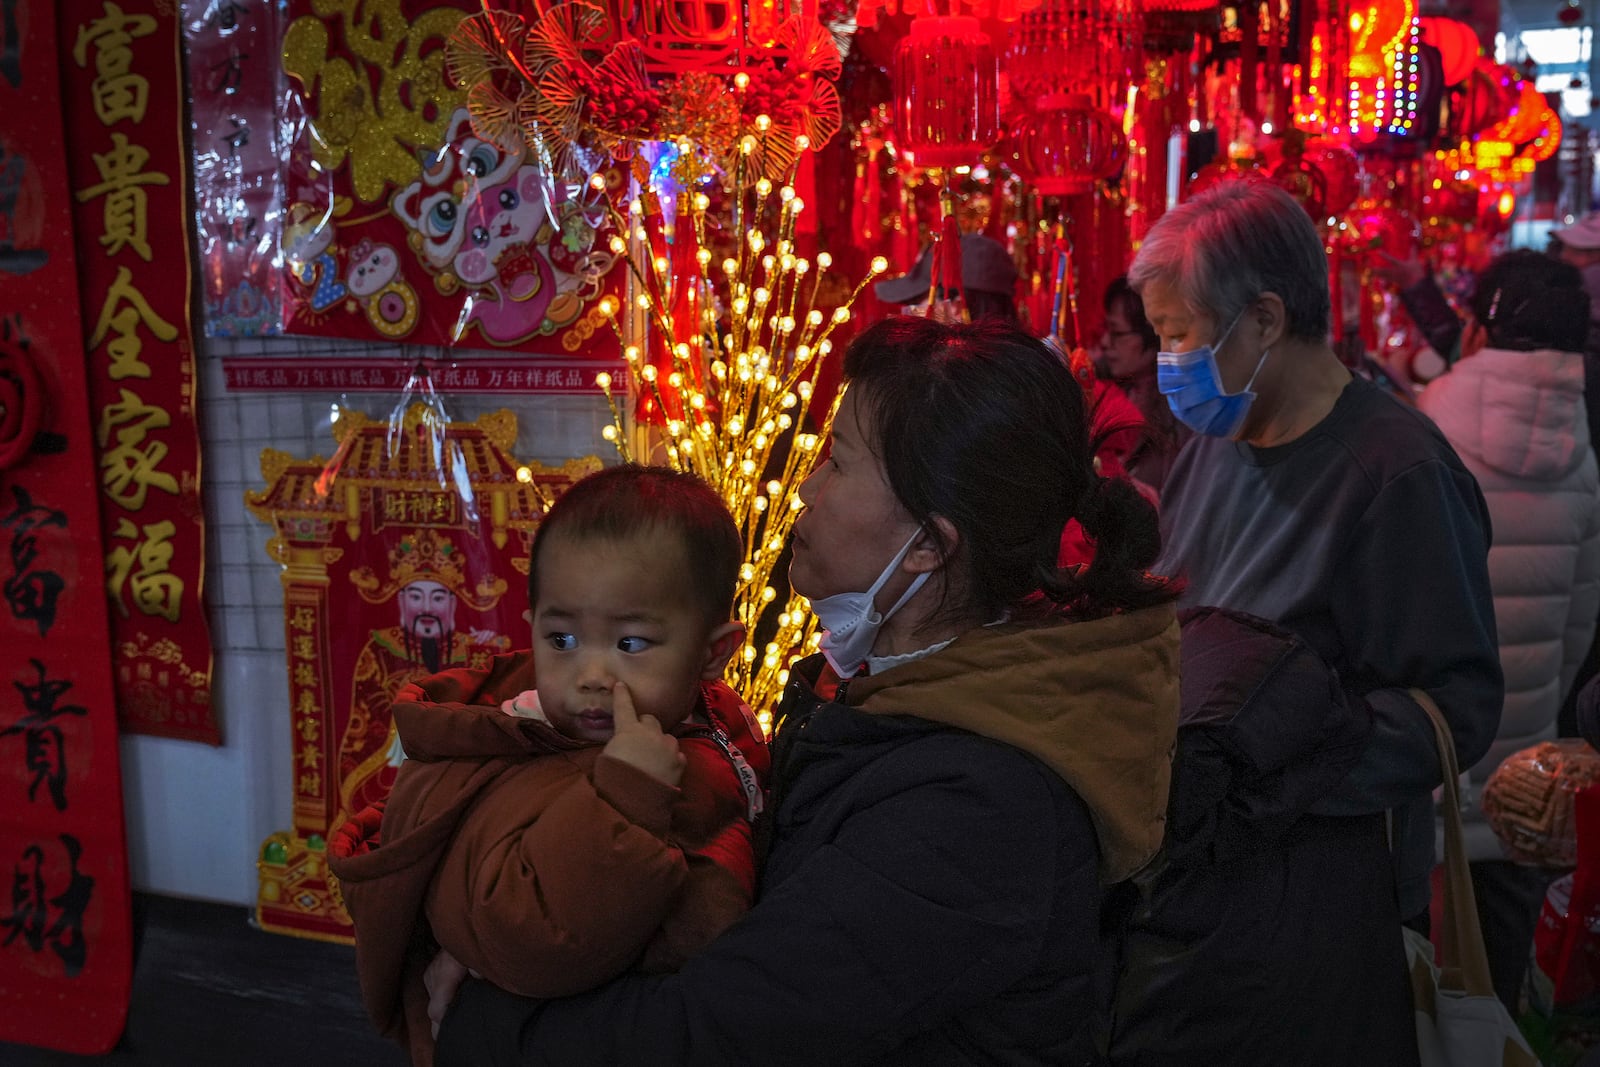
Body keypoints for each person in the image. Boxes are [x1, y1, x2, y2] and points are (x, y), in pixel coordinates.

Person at [426, 315, 1183, 1065]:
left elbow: (716, 1030)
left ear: (927, 545)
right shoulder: (882, 687)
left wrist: (480, 1019)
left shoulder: (981, 802)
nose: (807, 488)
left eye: (840, 462)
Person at [1129, 179, 1502, 1059]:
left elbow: (1457, 706)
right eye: (1159, 337)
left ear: (1262, 320)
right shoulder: (1213, 448)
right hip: (1198, 885)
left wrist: (1275, 760)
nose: (1167, 361)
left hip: (1327, 903)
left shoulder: (1396, 474)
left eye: (1179, 334)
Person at [326, 465, 770, 1067]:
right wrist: (626, 796)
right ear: (531, 630)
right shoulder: (521, 743)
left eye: (630, 644)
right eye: (561, 640)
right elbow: (529, 942)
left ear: (713, 653)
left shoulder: (717, 728)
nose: (590, 675)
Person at [1415, 249, 1600, 1010]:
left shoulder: (1428, 422)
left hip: (1432, 745)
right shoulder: (1579, 446)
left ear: (1483, 319)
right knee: (1496, 973)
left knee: (1416, 969)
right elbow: (1581, 620)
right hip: (1522, 769)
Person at [337, 531, 512, 829]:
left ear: (453, 605)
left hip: (459, 770)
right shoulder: (380, 650)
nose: (427, 608)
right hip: (395, 768)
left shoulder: (472, 650)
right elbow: (364, 724)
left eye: (438, 597)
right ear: (402, 603)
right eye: (416, 597)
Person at [1095, 274, 1191, 493]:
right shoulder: (1104, 391)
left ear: (1152, 334)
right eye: (1106, 330)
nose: (1105, 342)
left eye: (1117, 333)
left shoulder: (1178, 412)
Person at [874, 231, 1019, 321]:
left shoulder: (935, 369)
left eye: (917, 302)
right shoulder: (1031, 363)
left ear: (956, 307)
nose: (908, 313)